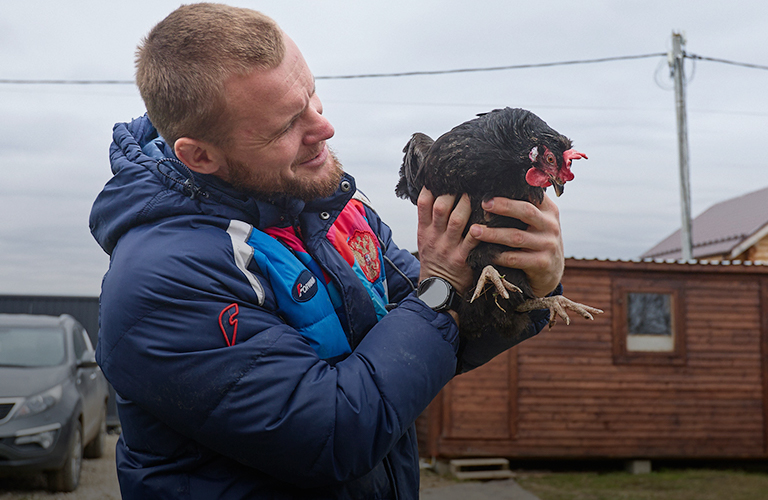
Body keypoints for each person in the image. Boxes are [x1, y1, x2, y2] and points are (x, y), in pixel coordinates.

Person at [89, 3, 564, 499]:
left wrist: (533, 281)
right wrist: (443, 285)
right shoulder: (160, 282)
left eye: (313, 96)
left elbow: (437, 337)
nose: (324, 127)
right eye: (286, 126)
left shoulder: (330, 208)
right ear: (200, 155)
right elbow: (336, 433)